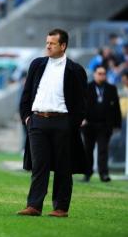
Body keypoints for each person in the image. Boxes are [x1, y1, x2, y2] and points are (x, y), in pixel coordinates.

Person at [18, 29, 87, 217]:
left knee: (63, 167)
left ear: (63, 46)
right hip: (37, 122)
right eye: (47, 42)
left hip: (63, 123)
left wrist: (71, 124)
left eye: (52, 43)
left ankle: (61, 208)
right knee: (39, 165)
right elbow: (26, 94)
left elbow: (82, 103)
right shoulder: (37, 64)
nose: (48, 46)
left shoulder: (75, 70)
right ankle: (34, 205)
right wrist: (26, 117)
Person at [82, 66, 121, 182]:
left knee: (103, 150)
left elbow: (116, 108)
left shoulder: (111, 88)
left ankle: (103, 173)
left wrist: (117, 125)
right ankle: (87, 173)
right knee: (88, 150)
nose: (102, 75)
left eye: (103, 73)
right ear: (94, 74)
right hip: (89, 125)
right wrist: (81, 119)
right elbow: (82, 105)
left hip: (105, 125)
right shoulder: (87, 88)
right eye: (99, 73)